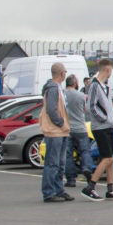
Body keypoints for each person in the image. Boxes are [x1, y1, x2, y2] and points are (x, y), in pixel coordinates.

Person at [83, 58, 113, 201]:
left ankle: (110, 188)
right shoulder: (95, 86)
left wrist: (112, 119)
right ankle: (90, 187)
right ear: (107, 70)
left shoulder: (104, 86)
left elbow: (107, 106)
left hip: (109, 126)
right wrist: (105, 119)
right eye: (111, 69)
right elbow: (91, 106)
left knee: (111, 157)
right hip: (101, 127)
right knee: (107, 157)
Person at [39, 64, 71, 201]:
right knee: (52, 163)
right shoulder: (53, 89)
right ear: (62, 73)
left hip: (61, 131)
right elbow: (51, 110)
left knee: (60, 163)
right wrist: (61, 123)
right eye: (65, 72)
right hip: (55, 131)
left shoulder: (58, 88)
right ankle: (49, 192)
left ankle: (59, 189)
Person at [63, 74, 93, 189]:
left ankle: (71, 179)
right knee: (85, 151)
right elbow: (85, 110)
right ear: (75, 83)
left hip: (68, 129)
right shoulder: (80, 95)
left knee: (68, 154)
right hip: (81, 128)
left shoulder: (63, 95)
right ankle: (87, 168)